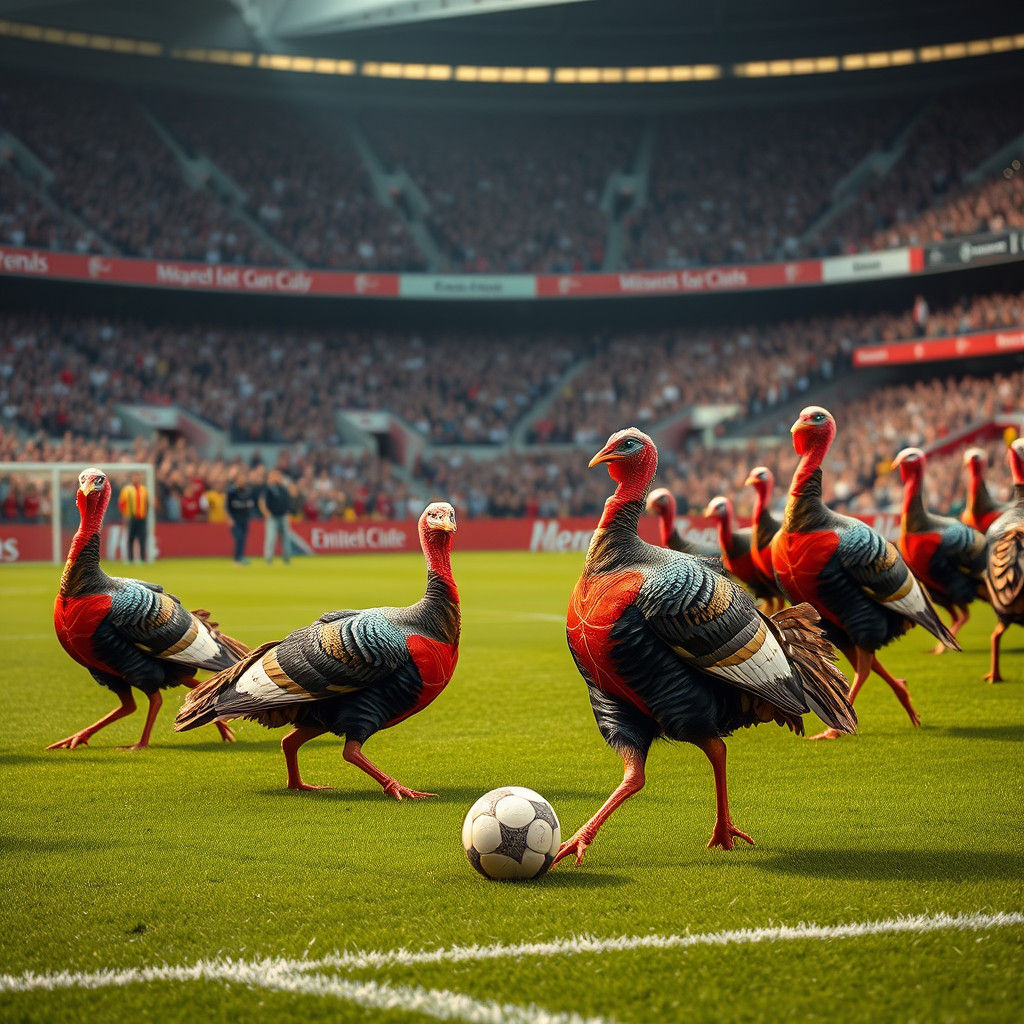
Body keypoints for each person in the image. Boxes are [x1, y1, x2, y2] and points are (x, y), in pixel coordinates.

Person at [259, 469, 292, 564]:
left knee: (286, 538)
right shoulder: (267, 488)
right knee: (271, 538)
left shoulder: (283, 488)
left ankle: (287, 558)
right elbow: (261, 502)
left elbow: (287, 501)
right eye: (274, 476)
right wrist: (266, 513)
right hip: (272, 517)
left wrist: (287, 513)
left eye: (278, 476)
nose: (277, 478)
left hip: (282, 516)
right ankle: (268, 559)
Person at [117, 472, 149, 563]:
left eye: (137, 477)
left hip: (142, 517)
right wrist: (124, 514)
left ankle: (143, 558)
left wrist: (146, 513)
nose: (136, 479)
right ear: (131, 479)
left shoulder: (144, 489)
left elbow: (147, 503)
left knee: (142, 538)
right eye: (134, 477)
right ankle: (130, 558)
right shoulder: (127, 489)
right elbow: (121, 504)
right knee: (131, 538)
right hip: (131, 517)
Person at [225, 467, 254, 565]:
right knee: (239, 537)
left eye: (244, 478)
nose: (243, 480)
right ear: (236, 480)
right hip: (235, 518)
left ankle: (240, 556)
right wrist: (229, 518)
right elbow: (227, 506)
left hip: (244, 518)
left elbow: (250, 504)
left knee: (243, 538)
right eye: (240, 478)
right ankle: (238, 558)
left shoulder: (247, 491)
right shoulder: (231, 491)